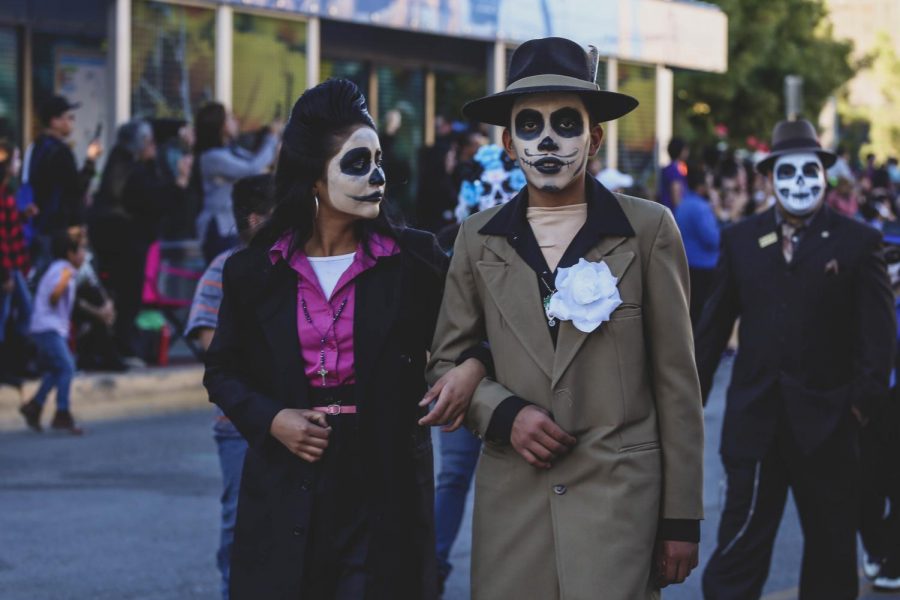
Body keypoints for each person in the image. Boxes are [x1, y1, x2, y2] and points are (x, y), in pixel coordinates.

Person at [428, 37, 704, 599]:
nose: (547, 139)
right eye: (529, 125)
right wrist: (503, 415)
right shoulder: (476, 239)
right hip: (515, 504)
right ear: (508, 142)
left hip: (619, 501)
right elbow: (445, 364)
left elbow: (678, 383)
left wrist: (681, 519)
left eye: (565, 124)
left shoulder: (649, 230)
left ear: (594, 137)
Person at [203, 79, 491, 599]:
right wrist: (273, 419)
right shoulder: (254, 270)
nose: (378, 176)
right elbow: (222, 371)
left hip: (387, 479)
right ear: (314, 178)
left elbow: (482, 328)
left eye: (379, 159)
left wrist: (471, 367)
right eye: (358, 163)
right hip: (288, 475)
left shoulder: (414, 260)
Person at [695, 119, 895, 599]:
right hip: (755, 425)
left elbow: (879, 335)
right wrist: (688, 403)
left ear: (825, 175)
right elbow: (712, 329)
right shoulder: (741, 240)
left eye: (810, 171)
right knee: (738, 549)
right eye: (787, 173)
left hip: (830, 426)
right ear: (769, 178)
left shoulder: (857, 242)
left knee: (831, 555)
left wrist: (858, 406)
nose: (799, 183)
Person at [185, 173, 275, 600]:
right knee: (240, 524)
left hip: (296, 421)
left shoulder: (296, 263)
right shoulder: (226, 268)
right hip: (239, 425)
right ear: (256, 220)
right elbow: (207, 338)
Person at [89, 119, 192, 361]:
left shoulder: (121, 159)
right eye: (151, 142)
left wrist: (178, 127)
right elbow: (157, 201)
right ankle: (120, 350)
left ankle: (115, 348)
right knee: (127, 299)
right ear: (142, 145)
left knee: (120, 298)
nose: (155, 147)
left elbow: (147, 127)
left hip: (116, 243)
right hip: (125, 245)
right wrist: (180, 182)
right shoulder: (133, 173)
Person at [24, 95, 103, 275]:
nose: (72, 122)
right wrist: (90, 160)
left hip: (40, 225)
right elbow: (76, 188)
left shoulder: (37, 147)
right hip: (59, 230)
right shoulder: (60, 152)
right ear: (54, 121)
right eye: (68, 117)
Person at [19, 228, 87, 435]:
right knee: (67, 367)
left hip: (46, 327)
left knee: (55, 370)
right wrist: (64, 283)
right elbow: (53, 297)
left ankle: (34, 406)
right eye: (81, 250)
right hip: (47, 328)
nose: (84, 255)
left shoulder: (62, 268)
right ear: (70, 253)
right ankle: (62, 413)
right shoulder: (62, 270)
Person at [194, 102, 279, 264]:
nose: (235, 121)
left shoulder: (229, 150)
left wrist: (265, 138)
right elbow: (251, 168)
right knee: (222, 275)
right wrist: (271, 139)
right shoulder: (212, 157)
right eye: (230, 118)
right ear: (220, 125)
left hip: (228, 225)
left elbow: (255, 161)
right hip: (217, 227)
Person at [675, 165, 722, 325]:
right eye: (709, 184)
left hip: (688, 263)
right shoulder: (701, 208)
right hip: (704, 267)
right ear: (701, 187)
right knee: (702, 314)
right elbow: (713, 239)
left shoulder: (684, 203)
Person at [0, 141, 32, 346]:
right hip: (8, 266)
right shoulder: (3, 195)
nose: (19, 164)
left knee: (20, 310)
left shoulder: (7, 193)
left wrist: (22, 216)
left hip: (12, 264)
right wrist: (5, 273)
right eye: (17, 159)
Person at [658, 136, 689, 210]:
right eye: (686, 149)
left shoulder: (668, 168)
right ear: (681, 151)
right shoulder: (675, 169)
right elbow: (676, 198)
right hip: (673, 213)